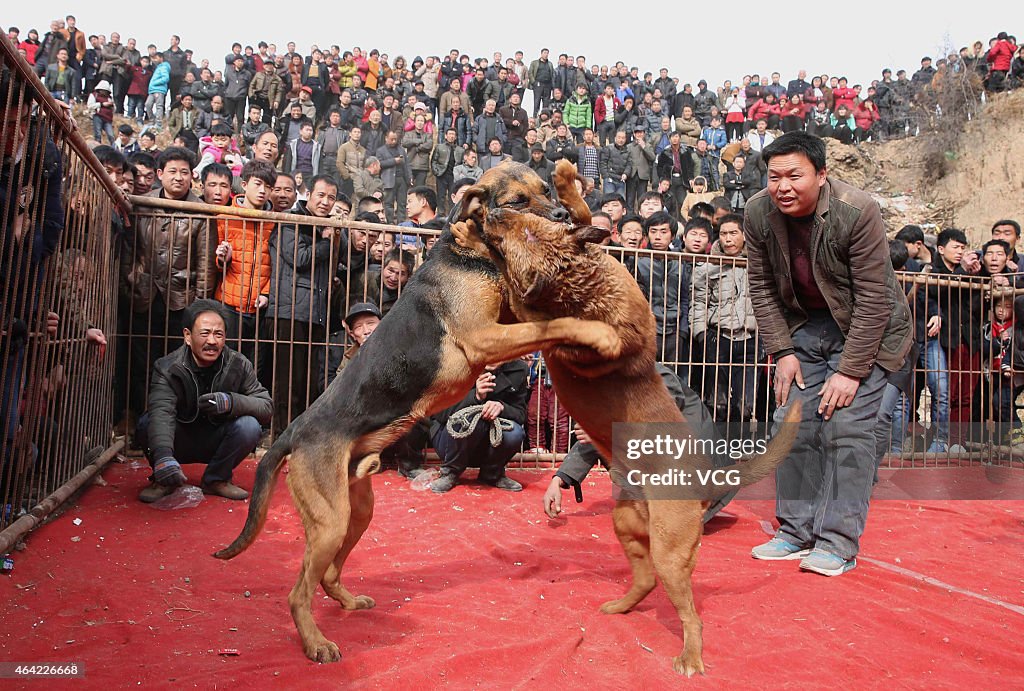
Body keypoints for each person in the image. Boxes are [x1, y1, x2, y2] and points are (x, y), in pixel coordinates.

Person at [744, 132, 913, 576]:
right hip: (806, 326)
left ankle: (837, 541)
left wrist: (851, 371)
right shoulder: (759, 212)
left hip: (869, 329)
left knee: (846, 427)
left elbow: (875, 298)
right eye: (774, 176)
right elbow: (761, 289)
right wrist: (781, 351)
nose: (782, 186)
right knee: (791, 421)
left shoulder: (857, 211)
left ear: (821, 175)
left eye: (794, 175)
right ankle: (796, 530)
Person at [135, 300, 272, 503]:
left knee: (249, 426)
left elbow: (265, 406)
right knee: (148, 423)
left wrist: (230, 402)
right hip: (179, 437)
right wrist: (163, 455)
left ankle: (217, 479)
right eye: (204, 333)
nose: (212, 341)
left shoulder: (239, 364)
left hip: (217, 439)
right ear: (188, 336)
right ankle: (163, 478)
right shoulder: (167, 367)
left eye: (218, 334)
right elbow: (161, 411)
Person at [265, 175, 339, 432]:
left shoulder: (323, 226)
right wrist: (327, 242)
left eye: (331, 197)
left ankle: (301, 436)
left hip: (314, 312)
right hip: (290, 311)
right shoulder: (291, 221)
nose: (326, 202)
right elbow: (300, 257)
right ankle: (281, 435)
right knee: (287, 381)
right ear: (308, 193)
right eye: (321, 195)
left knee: (308, 380)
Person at [429, 359, 529, 493]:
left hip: (489, 441)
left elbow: (520, 414)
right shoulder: (454, 363)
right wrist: (475, 396)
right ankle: (450, 472)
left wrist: (501, 407)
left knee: (515, 432)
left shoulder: (518, 369)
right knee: (470, 421)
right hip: (450, 439)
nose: (491, 356)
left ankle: (492, 474)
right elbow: (439, 413)